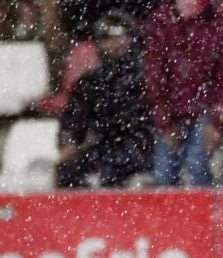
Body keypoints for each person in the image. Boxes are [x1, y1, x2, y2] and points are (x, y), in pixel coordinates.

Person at [143, 0, 223, 188]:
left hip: (205, 109)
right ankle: (167, 223)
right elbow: (154, 76)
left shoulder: (220, 25)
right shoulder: (161, 22)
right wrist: (165, 123)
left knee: (197, 167)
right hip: (172, 111)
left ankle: (203, 220)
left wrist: (216, 118)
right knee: (164, 175)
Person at [56, 12, 153, 190]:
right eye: (108, 39)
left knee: (124, 169)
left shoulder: (146, 77)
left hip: (140, 146)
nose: (115, 45)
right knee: (68, 171)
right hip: (103, 146)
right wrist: (68, 141)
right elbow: (73, 118)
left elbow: (152, 120)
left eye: (120, 38)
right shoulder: (90, 81)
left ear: (130, 39)